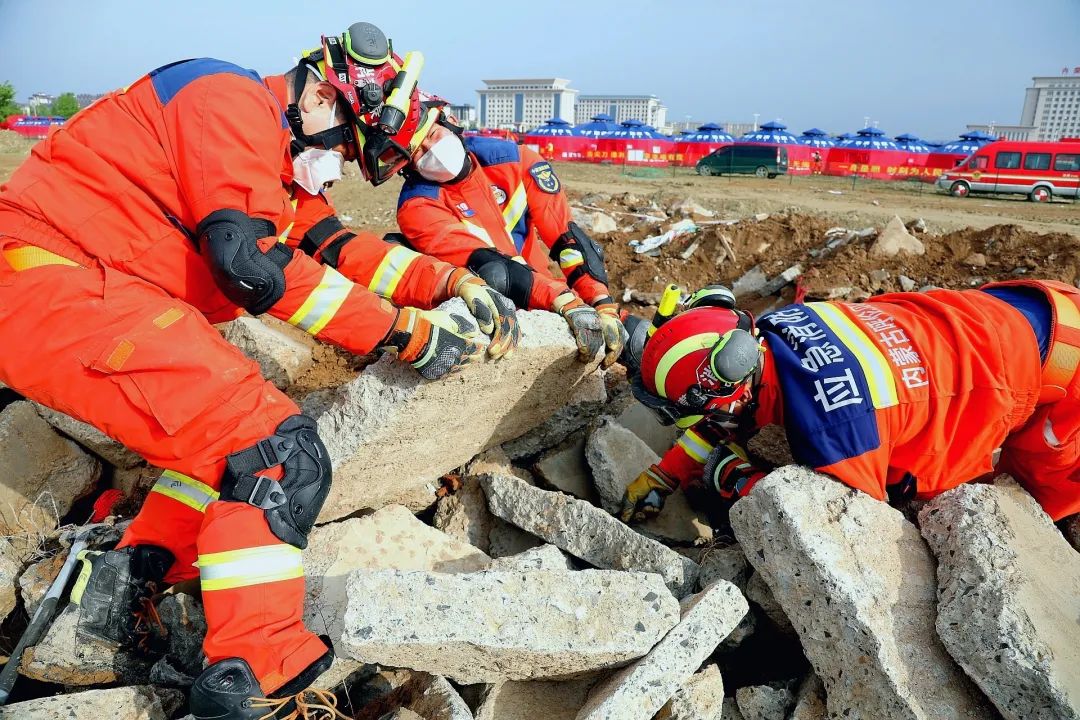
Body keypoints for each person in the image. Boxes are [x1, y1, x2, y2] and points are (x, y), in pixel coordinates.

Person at [0, 22, 513, 720]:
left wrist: (450, 287)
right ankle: (259, 678)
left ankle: (127, 589)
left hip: (84, 290)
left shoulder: (269, 152)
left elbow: (341, 248)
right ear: (324, 100)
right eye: (343, 149)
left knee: (215, 452)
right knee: (275, 452)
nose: (336, 169)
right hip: (64, 286)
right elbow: (248, 266)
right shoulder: (231, 99)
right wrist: (403, 333)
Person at [619, 283, 1080, 528]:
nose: (706, 427)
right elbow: (734, 411)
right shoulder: (778, 325)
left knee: (1024, 513)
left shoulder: (836, 431)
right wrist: (667, 473)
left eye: (702, 416)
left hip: (1065, 371)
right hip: (1019, 307)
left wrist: (734, 479)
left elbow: (850, 525)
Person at [394, 110, 627, 367]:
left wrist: (601, 302)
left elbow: (567, 240)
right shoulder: (417, 207)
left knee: (635, 339)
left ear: (450, 123)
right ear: (405, 164)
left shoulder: (515, 161)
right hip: (491, 303)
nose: (432, 150)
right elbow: (491, 267)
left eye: (433, 134)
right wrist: (563, 301)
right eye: (416, 150)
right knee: (494, 273)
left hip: (551, 292)